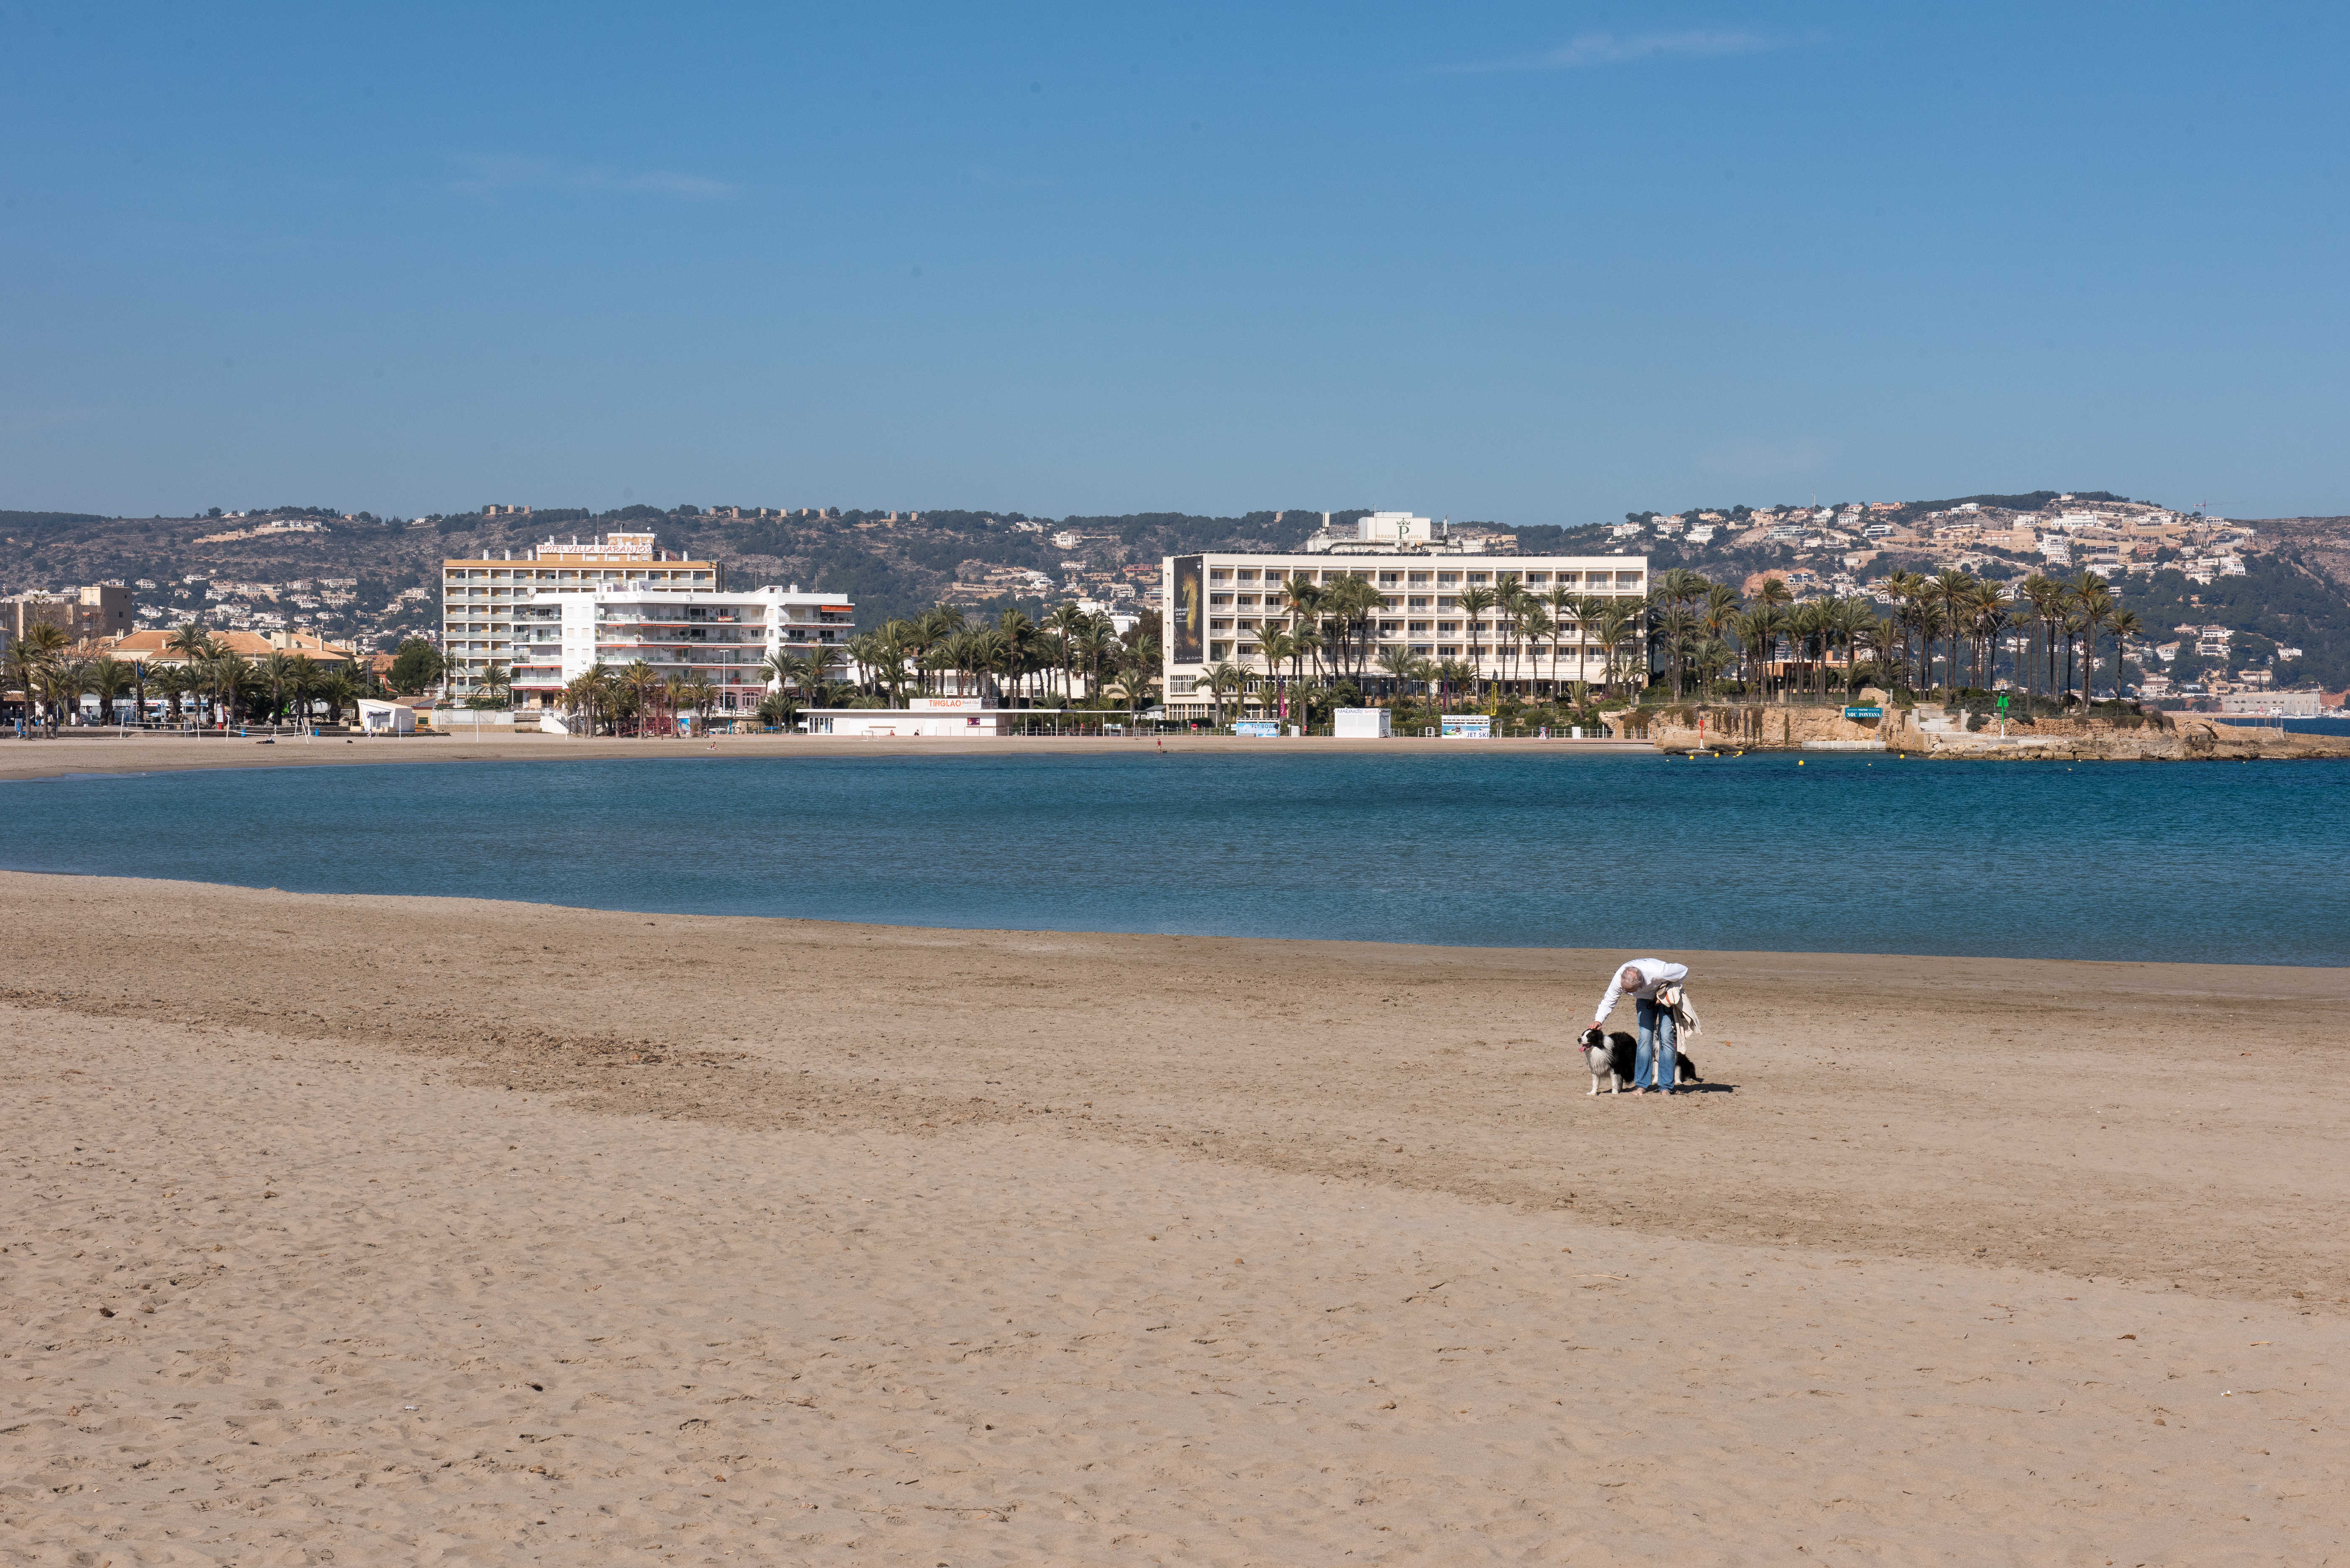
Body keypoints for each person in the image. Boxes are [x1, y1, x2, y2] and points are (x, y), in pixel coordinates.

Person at [1593, 957, 1689, 1096]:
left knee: (1666, 1038)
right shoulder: (1620, 978)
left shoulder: (1659, 972)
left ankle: (1666, 1087)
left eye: (1630, 991)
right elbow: (1609, 1000)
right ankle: (1642, 1085)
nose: (1626, 992)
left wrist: (1668, 992)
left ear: (1641, 983)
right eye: (1625, 990)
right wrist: (1599, 1021)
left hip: (1664, 997)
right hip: (1644, 1000)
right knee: (1645, 1038)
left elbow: (1683, 971)